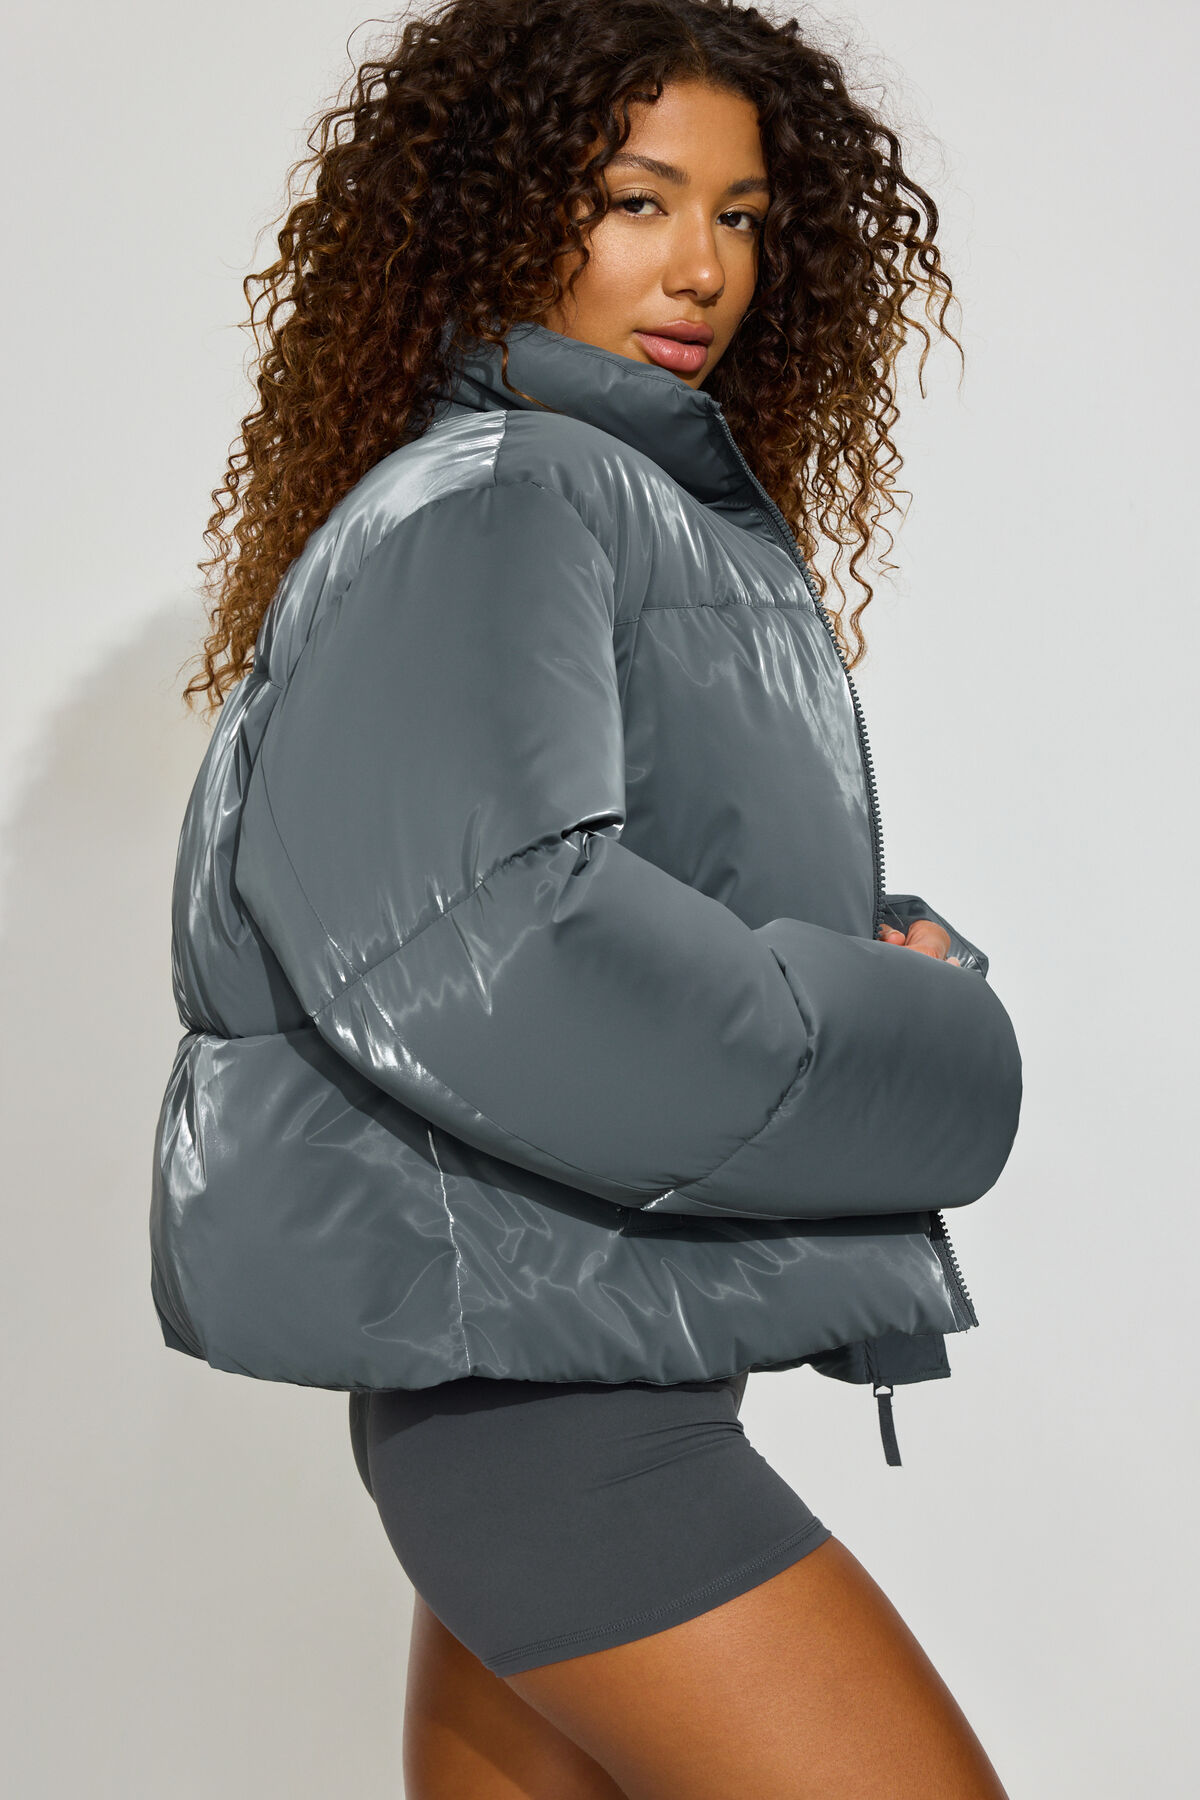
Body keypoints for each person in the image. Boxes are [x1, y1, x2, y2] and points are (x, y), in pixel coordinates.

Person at [153, 2, 1022, 1794]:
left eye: (743, 215)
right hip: (556, 1422)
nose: (703, 266)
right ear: (494, 213)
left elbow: (581, 889)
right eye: (638, 199)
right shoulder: (509, 495)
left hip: (556, 1371)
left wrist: (856, 941)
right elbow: (498, 949)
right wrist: (920, 1041)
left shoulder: (590, 497)